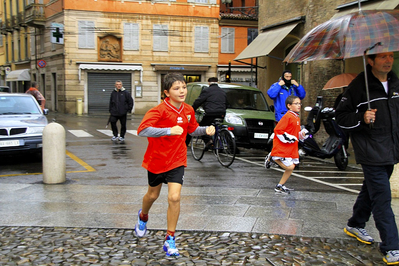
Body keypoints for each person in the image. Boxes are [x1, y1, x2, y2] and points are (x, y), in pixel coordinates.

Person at [135, 73, 215, 257]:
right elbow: (142, 130)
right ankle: (143, 216)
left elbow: (192, 129)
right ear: (166, 92)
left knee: (174, 198)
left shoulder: (188, 110)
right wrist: (168, 130)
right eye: (176, 88)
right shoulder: (159, 110)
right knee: (152, 195)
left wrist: (206, 130)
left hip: (177, 159)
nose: (181, 91)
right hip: (156, 159)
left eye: (183, 87)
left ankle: (170, 238)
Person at [335, 52, 399, 265]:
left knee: (371, 188)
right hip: (370, 148)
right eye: (382, 57)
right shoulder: (359, 85)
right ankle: (392, 246)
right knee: (382, 196)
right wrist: (361, 117)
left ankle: (355, 223)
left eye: (390, 56)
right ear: (370, 61)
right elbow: (341, 117)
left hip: (391, 149)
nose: (388, 60)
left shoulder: (396, 83)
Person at [264, 95, 308, 194]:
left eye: (299, 103)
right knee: (290, 167)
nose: (299, 105)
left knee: (292, 166)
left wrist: (302, 134)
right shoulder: (288, 116)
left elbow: (296, 133)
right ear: (289, 105)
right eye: (296, 103)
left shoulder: (296, 117)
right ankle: (272, 158)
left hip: (291, 147)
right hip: (284, 147)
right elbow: (278, 130)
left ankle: (280, 186)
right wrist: (290, 138)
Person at [188, 77, 227, 145]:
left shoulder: (207, 90)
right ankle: (221, 142)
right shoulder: (222, 91)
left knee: (202, 127)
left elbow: (199, 101)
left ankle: (208, 141)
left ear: (209, 83)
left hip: (210, 113)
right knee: (217, 126)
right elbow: (227, 103)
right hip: (221, 113)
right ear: (217, 82)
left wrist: (192, 109)